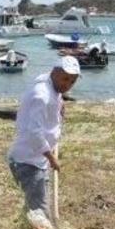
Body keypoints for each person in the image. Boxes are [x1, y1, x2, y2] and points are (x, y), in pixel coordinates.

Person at [7, 56, 80, 220]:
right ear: (54, 72)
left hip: (38, 160)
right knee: (41, 212)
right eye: (65, 79)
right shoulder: (41, 96)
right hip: (28, 161)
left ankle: (27, 228)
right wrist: (51, 157)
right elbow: (34, 132)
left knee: (35, 203)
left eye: (72, 81)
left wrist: (59, 106)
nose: (67, 85)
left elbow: (55, 97)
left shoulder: (51, 85)